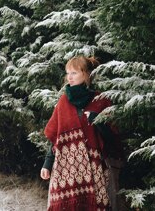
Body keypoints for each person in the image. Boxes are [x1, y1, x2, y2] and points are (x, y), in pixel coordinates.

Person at [40, 56, 123, 211]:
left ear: (86, 74)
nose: (69, 77)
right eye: (68, 73)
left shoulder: (101, 100)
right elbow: (55, 136)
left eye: (74, 73)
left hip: (93, 168)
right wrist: (47, 164)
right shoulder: (63, 102)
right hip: (65, 169)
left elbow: (112, 138)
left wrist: (97, 121)